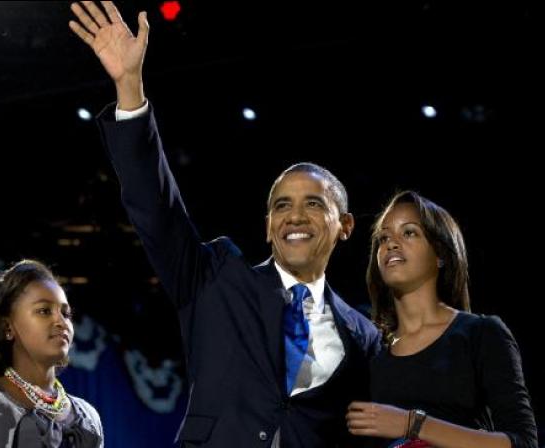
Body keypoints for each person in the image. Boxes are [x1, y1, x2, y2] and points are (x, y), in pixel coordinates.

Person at [69, 2, 381, 446]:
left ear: (345, 224)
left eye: (313, 203)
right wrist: (129, 87)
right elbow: (156, 208)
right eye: (281, 206)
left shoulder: (363, 336)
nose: (294, 215)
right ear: (268, 223)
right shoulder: (215, 278)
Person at [346, 191, 538, 448]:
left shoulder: (481, 334)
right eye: (383, 237)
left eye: (409, 232)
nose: (390, 243)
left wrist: (413, 424)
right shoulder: (369, 351)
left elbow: (523, 443)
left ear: (441, 254)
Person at [0, 259, 103, 448]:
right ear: (8, 326)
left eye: (66, 314)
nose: (62, 322)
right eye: (44, 311)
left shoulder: (89, 417)